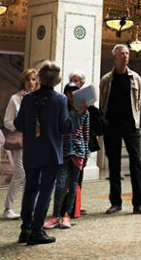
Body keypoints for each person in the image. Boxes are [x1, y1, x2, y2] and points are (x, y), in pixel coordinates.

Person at [14, 61, 71, 245]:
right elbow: (64, 127)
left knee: (30, 190)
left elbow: (18, 124)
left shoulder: (28, 99)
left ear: (40, 77)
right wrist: (77, 113)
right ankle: (37, 230)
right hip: (51, 152)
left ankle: (25, 229)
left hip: (31, 151)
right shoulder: (60, 99)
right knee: (45, 192)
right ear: (56, 79)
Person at [99, 44, 141, 214]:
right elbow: (102, 103)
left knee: (136, 163)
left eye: (127, 53)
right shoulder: (106, 80)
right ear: (115, 57)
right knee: (114, 164)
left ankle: (138, 203)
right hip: (111, 125)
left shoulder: (136, 78)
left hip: (130, 125)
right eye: (122, 54)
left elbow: (138, 102)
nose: (125, 56)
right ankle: (116, 202)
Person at [45, 73, 90, 229]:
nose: (71, 96)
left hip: (78, 152)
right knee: (60, 184)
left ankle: (67, 215)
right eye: (69, 93)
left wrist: (86, 155)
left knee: (73, 185)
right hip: (63, 152)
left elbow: (86, 134)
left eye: (74, 93)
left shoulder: (85, 113)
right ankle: (55, 215)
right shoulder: (60, 111)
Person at [2, 68, 38, 219]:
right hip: (21, 140)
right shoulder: (15, 99)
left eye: (33, 79)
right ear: (23, 81)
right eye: (28, 79)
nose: (31, 82)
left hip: (36, 141)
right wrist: (22, 126)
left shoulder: (38, 98)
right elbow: (7, 121)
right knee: (20, 172)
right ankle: (8, 208)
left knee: (33, 174)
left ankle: (27, 207)